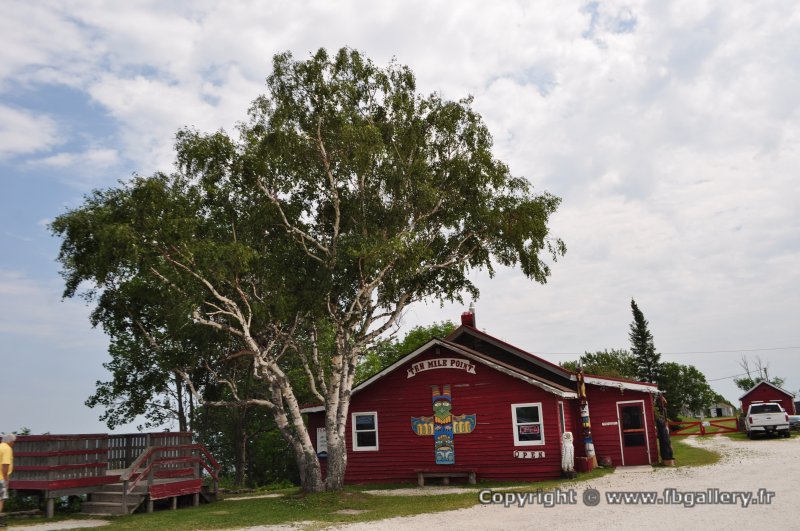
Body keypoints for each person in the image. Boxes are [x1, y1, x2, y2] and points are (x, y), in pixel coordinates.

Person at [0, 433, 16, 527]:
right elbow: (5, 465)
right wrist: (6, 479)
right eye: (13, 442)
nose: (14, 444)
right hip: (0, 478)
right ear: (10, 441)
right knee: (0, 500)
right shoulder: (7, 449)